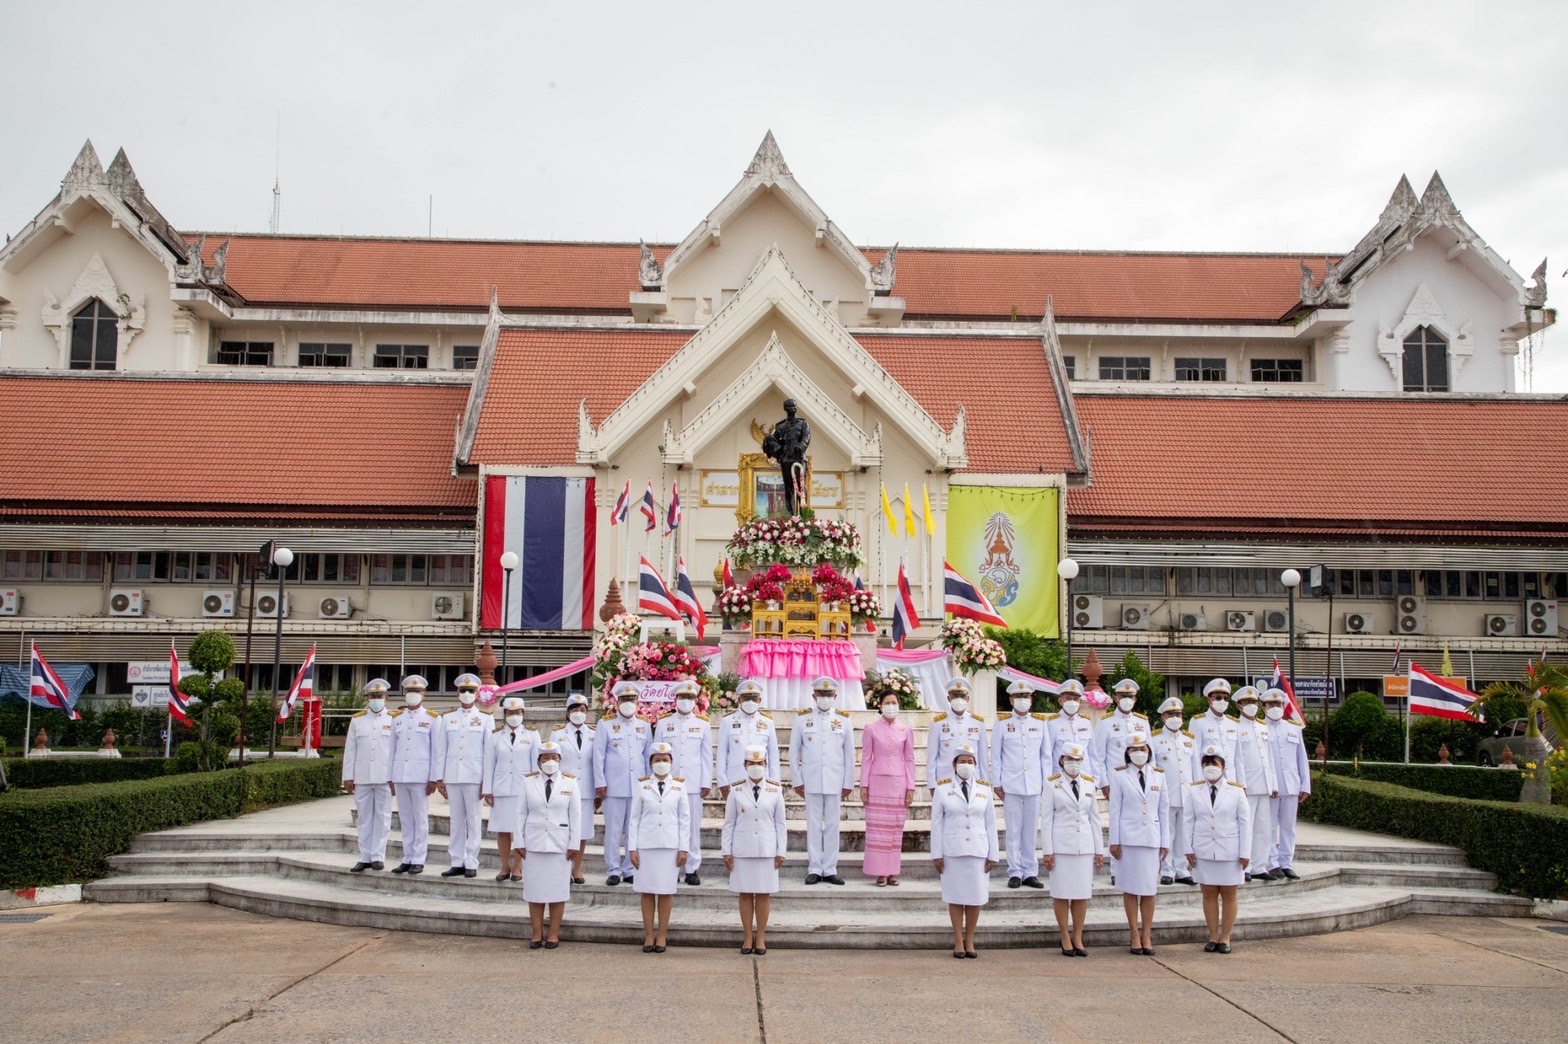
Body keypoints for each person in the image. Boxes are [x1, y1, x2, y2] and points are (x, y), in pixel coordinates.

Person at [930, 746, 999, 959]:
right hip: (953, 850)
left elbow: (991, 823)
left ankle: (970, 939)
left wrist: (993, 853)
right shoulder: (942, 789)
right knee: (956, 896)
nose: (966, 765)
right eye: (962, 761)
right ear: (953, 765)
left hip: (978, 850)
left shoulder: (984, 789)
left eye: (970, 761)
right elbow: (937, 823)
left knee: (975, 897)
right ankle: (958, 941)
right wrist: (937, 854)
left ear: (975, 765)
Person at [1183, 745, 1252, 954]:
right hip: (1204, 850)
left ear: (1223, 766)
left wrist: (1245, 853)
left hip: (1230, 850)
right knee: (1209, 893)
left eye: (1214, 763)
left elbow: (1245, 823)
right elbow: (1188, 821)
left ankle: (1226, 937)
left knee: (1229, 894)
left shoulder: (1236, 790)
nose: (1210, 767)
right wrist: (1188, 848)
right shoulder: (1194, 789)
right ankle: (1213, 936)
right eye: (1206, 763)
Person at [1108, 728, 1169, 955]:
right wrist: (1114, 841)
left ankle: (1147, 934)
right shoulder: (1119, 775)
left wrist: (1165, 841)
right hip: (1129, 839)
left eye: (1142, 749)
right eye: (1134, 749)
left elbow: (1163, 810)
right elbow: (1115, 810)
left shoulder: (1159, 775)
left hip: (1151, 838)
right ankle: (1134, 933)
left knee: (1149, 890)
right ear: (1127, 752)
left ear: (1149, 750)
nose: (1138, 753)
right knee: (1131, 889)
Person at [722, 745, 787, 955]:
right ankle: (747, 935)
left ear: (766, 765)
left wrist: (781, 850)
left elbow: (780, 823)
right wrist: (726, 851)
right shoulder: (736, 789)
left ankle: (761, 937)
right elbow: (729, 822)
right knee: (745, 893)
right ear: (745, 765)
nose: (756, 767)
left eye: (760, 764)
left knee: (763, 894)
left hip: (767, 850)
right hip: (742, 849)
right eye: (752, 764)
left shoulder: (775, 789)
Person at [790, 677, 855, 886]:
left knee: (833, 825)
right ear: (813, 696)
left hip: (835, 781)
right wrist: (797, 780)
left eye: (828, 695)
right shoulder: (802, 720)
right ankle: (815, 868)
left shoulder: (844, 721)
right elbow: (793, 753)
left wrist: (848, 783)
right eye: (821, 694)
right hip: (811, 780)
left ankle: (830, 868)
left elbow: (849, 755)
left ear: (835, 697)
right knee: (814, 824)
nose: (824, 698)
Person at [515, 741, 580, 949]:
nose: (550, 761)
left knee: (557, 891)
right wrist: (519, 840)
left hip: (560, 845)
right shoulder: (528, 782)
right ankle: (536, 934)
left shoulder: (570, 782)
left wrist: (574, 843)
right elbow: (520, 813)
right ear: (538, 761)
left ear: (560, 759)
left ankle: (553, 934)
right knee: (534, 891)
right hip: (533, 844)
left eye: (554, 757)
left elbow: (576, 815)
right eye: (545, 758)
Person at [1041, 741, 1103, 956]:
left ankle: (1078, 935)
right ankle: (1064, 935)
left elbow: (1094, 819)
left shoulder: (1089, 783)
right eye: (1069, 759)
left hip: (1084, 847)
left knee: (1081, 894)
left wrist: (1099, 850)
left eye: (1078, 760)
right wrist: (1047, 851)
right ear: (1061, 761)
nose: (1074, 764)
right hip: (1061, 847)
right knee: (1061, 894)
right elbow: (1047, 820)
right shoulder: (1052, 784)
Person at [628, 741, 690, 953]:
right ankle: (648, 935)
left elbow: (685, 820)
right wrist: (632, 848)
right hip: (646, 845)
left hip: (670, 846)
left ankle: (662, 935)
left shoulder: (679, 786)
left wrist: (684, 848)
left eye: (665, 760)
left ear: (672, 762)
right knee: (646, 892)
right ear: (650, 763)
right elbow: (634, 819)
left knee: (665, 892)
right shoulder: (642, 785)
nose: (661, 763)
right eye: (657, 760)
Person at [990, 679, 1050, 889]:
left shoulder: (1040, 724)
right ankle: (1015, 871)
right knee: (1013, 830)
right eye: (1018, 697)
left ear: (1031, 699)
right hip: (1011, 784)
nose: (1022, 701)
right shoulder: (1002, 724)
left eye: (1025, 697)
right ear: (1011, 700)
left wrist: (1046, 783)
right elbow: (996, 756)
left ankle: (1030, 872)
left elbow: (1046, 757)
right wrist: (997, 782)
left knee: (1031, 831)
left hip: (1034, 784)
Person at [654, 678, 712, 885]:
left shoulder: (702, 724)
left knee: (692, 827)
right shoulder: (663, 723)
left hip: (693, 783)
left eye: (689, 697)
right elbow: (655, 755)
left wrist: (706, 782)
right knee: (670, 825)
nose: (685, 701)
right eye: (682, 697)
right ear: (675, 699)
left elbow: (706, 756)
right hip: (668, 784)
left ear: (695, 700)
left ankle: (691, 868)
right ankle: (672, 868)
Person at [593, 681, 650, 886]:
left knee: (633, 829)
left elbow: (647, 758)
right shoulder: (605, 724)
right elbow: (598, 756)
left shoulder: (644, 725)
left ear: (637, 701)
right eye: (624, 699)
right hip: (613, 787)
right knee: (613, 830)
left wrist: (648, 784)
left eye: (631, 699)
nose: (628, 703)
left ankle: (628, 868)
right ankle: (613, 869)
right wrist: (600, 783)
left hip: (637, 786)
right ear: (617, 701)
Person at [436, 674, 491, 878]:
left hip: (474, 776)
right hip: (452, 775)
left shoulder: (486, 718)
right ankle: (456, 860)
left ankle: (471, 861)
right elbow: (441, 750)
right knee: (456, 822)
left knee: (474, 820)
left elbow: (488, 753)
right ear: (457, 694)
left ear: (477, 694)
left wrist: (487, 781)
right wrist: (439, 778)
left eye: (471, 691)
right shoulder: (447, 718)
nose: (467, 694)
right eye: (463, 691)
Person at [388, 674, 442, 875]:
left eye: (417, 691)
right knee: (405, 819)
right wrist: (390, 777)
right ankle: (407, 857)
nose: (413, 695)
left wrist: (434, 778)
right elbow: (391, 750)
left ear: (424, 694)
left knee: (420, 819)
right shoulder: (397, 719)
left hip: (421, 777)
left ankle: (419, 858)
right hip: (400, 775)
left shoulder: (432, 718)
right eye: (410, 691)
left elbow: (436, 751)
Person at [860, 686, 916, 885]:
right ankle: (879, 872)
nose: (890, 707)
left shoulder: (906, 730)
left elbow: (909, 759)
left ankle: (892, 871)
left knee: (894, 829)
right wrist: (863, 785)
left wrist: (911, 787)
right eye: (887, 703)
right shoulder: (871, 728)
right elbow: (866, 758)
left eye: (894, 703)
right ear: (880, 705)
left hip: (898, 783)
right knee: (877, 829)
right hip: (877, 782)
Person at [342, 678, 396, 872]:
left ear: (386, 698)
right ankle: (364, 855)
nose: (375, 699)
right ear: (367, 697)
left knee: (383, 817)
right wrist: (348, 777)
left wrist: (394, 777)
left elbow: (397, 752)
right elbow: (350, 750)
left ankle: (378, 856)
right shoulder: (357, 720)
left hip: (384, 777)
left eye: (379, 696)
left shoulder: (394, 718)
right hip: (362, 776)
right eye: (372, 696)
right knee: (364, 817)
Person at [484, 695, 538, 882]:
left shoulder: (532, 735)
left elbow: (535, 766)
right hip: (501, 788)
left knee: (520, 830)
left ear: (523, 713)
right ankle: (504, 866)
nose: (514, 716)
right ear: (504, 714)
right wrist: (487, 789)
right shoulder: (495, 736)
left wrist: (535, 790)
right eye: (510, 712)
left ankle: (517, 866)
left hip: (523, 789)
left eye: (517, 712)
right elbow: (489, 764)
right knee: (503, 829)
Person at [1261, 688, 1311, 880]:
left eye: (1278, 704)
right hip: (1270, 787)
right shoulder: (1260, 728)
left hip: (1291, 784)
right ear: (1264, 707)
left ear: (1283, 706)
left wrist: (1305, 785)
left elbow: (1302, 758)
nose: (1275, 707)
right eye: (1271, 704)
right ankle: (1272, 863)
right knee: (1271, 827)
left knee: (1288, 827)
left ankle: (1286, 862)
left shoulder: (1293, 728)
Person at [1230, 686, 1278, 882]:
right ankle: (1246, 865)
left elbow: (1270, 758)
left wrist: (1273, 783)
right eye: (1247, 702)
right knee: (1246, 827)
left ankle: (1260, 865)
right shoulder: (1235, 727)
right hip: (1248, 785)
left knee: (1264, 828)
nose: (1252, 706)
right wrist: (1241, 783)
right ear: (1239, 705)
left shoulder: (1262, 727)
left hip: (1265, 785)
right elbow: (1237, 759)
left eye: (1254, 702)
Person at [549, 692, 597, 885]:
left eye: (582, 710)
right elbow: (552, 761)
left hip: (586, 789)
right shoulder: (558, 734)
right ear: (568, 713)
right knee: (562, 829)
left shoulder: (594, 734)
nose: (579, 713)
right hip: (564, 789)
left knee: (582, 831)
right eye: (575, 710)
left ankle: (577, 868)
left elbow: (597, 763)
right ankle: (562, 868)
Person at [1150, 696, 1197, 885]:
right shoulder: (1155, 739)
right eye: (1171, 714)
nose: (1175, 717)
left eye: (1178, 714)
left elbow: (1196, 769)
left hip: (1186, 794)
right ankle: (1167, 869)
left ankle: (1182, 868)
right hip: (1166, 794)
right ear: (1163, 717)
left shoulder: (1189, 740)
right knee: (1166, 833)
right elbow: (1152, 768)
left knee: (1185, 833)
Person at [716, 679, 779, 796]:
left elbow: (773, 755)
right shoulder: (728, 721)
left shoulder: (767, 722)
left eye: (754, 698)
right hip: (735, 778)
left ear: (759, 700)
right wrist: (722, 781)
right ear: (739, 699)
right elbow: (722, 753)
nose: (750, 701)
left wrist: (774, 782)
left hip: (763, 779)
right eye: (746, 698)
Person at [928, 678, 988, 788]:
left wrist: (985, 782)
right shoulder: (938, 723)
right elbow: (932, 757)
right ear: (948, 698)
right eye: (955, 695)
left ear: (968, 698)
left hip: (973, 778)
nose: (959, 699)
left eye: (962, 696)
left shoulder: (978, 723)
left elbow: (983, 757)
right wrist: (932, 783)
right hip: (946, 778)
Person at [1094, 678, 1149, 795]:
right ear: (1116, 698)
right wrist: (1104, 783)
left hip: (1140, 778)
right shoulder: (1105, 722)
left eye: (1131, 696)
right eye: (1124, 696)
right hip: (1115, 779)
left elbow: (1150, 753)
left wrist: (1151, 778)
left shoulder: (1142, 722)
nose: (1127, 700)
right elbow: (1099, 756)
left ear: (1135, 699)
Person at [761, 398, 811, 515]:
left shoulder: (803, 423)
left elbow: (806, 437)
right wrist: (777, 449)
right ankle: (791, 514)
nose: (792, 409)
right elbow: (772, 439)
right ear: (785, 409)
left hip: (798, 457)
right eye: (789, 407)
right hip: (786, 458)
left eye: (794, 406)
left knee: (800, 485)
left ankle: (804, 514)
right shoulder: (780, 426)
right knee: (788, 488)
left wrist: (801, 446)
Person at [1044, 679, 1099, 779]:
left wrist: (1096, 778)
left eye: (1075, 699)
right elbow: (1047, 755)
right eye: (1068, 698)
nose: (1072, 702)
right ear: (1061, 701)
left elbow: (1092, 754)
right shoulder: (1052, 723)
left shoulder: (1086, 722)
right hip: (1061, 776)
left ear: (1080, 701)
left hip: (1084, 776)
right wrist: (1048, 780)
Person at [1189, 679, 1240, 783]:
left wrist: (1241, 784)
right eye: (1218, 698)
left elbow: (1238, 758)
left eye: (1225, 698)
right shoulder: (1198, 722)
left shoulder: (1233, 723)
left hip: (1230, 780)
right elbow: (1195, 755)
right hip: (1208, 779)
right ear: (1209, 699)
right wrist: (1198, 782)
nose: (1222, 701)